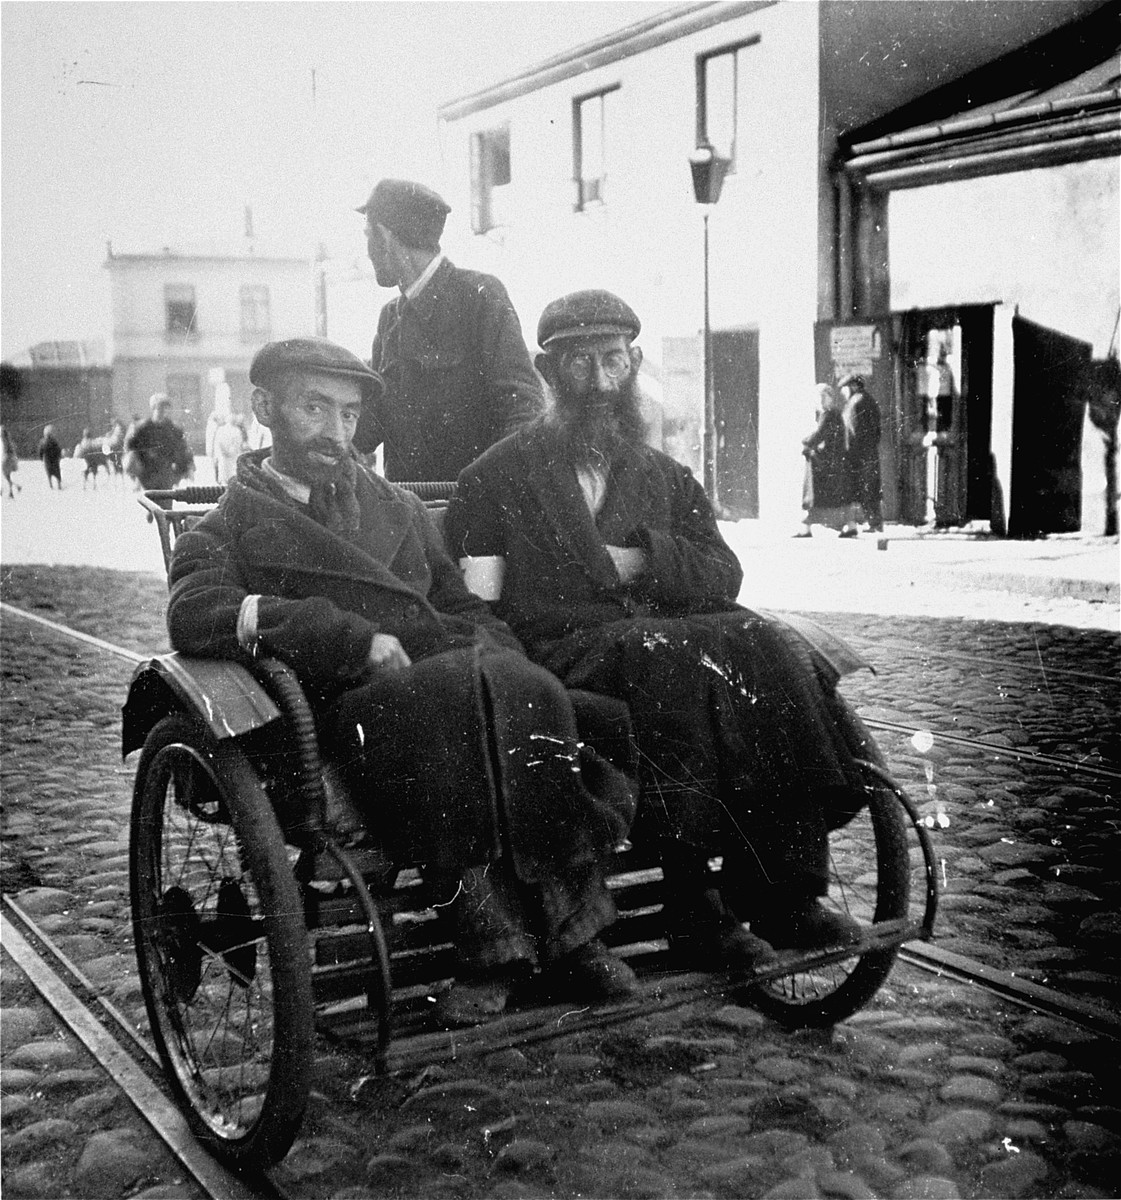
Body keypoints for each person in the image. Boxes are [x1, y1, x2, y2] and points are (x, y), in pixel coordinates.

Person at [166, 335, 639, 1026]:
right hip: (343, 717)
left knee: (523, 689)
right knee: (451, 701)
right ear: (264, 407)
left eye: (350, 414)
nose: (335, 432)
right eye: (315, 408)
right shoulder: (229, 525)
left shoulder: (398, 509)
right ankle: (494, 947)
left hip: (447, 685)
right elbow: (195, 612)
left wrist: (496, 651)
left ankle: (575, 934)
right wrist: (349, 639)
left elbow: (459, 605)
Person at [447, 290, 874, 972]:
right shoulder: (496, 476)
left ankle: (783, 889)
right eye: (579, 363)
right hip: (558, 653)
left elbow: (721, 572)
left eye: (613, 360)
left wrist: (645, 560)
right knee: (667, 655)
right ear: (546, 370)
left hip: (655, 641)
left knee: (766, 643)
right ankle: (690, 897)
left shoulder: (663, 475)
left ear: (634, 361)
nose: (599, 382)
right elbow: (479, 609)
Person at [352, 178, 542, 480]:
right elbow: (371, 424)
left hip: (472, 511)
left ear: (385, 237)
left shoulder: (480, 295)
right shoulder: (390, 318)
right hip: (412, 512)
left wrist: (489, 489)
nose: (367, 251)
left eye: (367, 236)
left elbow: (524, 407)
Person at [797, 384, 859, 537]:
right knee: (839, 495)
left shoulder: (829, 414)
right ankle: (850, 524)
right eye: (820, 397)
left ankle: (806, 526)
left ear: (830, 398)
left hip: (827, 461)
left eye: (824, 397)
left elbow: (820, 434)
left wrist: (805, 442)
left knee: (815, 494)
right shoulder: (834, 413)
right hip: (836, 459)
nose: (821, 401)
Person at [838, 374, 884, 534]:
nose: (842, 392)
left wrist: (849, 454)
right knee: (870, 488)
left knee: (865, 488)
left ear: (852, 386)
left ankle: (874, 523)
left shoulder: (855, 402)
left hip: (858, 454)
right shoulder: (868, 400)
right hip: (869, 451)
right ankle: (874, 523)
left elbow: (852, 432)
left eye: (844, 388)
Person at [125, 393, 195, 491]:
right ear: (153, 408)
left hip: (166, 474)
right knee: (149, 503)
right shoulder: (142, 428)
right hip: (147, 474)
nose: (163, 412)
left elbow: (183, 449)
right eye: (159, 408)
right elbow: (130, 448)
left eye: (166, 408)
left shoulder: (173, 428)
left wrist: (187, 469)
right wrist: (136, 474)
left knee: (165, 503)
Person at [211, 412, 248, 485]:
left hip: (224, 456)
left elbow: (218, 444)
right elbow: (238, 443)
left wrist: (222, 452)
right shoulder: (236, 430)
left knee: (224, 476)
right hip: (231, 456)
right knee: (231, 475)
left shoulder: (221, 430)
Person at [37, 424, 63, 489]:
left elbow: (40, 451)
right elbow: (58, 450)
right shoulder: (54, 441)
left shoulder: (42, 441)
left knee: (49, 472)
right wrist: (59, 457)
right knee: (57, 472)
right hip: (54, 460)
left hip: (47, 460)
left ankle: (51, 484)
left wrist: (41, 458)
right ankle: (59, 484)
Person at [2, 425, 20, 498]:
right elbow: (14, 449)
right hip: (11, 459)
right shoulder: (9, 440)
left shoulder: (3, 441)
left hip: (5, 459)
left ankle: (12, 490)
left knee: (6, 476)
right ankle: (12, 491)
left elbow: (4, 450)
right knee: (7, 476)